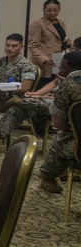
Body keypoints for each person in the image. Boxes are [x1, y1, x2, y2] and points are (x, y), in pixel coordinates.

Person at [36, 52, 81, 193]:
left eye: (61, 68)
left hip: (79, 148)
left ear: (71, 69)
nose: (60, 71)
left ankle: (48, 178)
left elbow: (58, 123)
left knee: (62, 139)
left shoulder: (71, 82)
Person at [28, 0, 69, 89]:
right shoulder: (38, 23)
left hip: (57, 60)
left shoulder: (61, 23)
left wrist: (66, 43)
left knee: (55, 87)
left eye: (55, 10)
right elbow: (32, 46)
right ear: (44, 10)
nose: (52, 13)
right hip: (43, 62)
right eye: (49, 10)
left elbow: (57, 41)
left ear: (59, 10)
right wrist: (44, 59)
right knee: (41, 87)